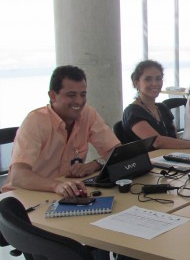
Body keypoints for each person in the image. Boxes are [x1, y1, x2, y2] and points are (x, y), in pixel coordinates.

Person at [2, 66, 119, 197]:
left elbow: (116, 151)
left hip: (64, 193)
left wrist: (95, 164)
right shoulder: (35, 121)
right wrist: (56, 185)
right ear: (53, 96)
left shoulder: (88, 114)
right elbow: (18, 176)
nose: (79, 101)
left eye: (83, 94)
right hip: (23, 196)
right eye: (71, 95)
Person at [122, 60, 190, 150]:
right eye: (148, 79)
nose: (155, 83)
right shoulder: (132, 112)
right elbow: (157, 142)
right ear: (136, 83)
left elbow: (175, 138)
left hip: (170, 159)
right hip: (150, 164)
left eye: (158, 78)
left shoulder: (162, 108)